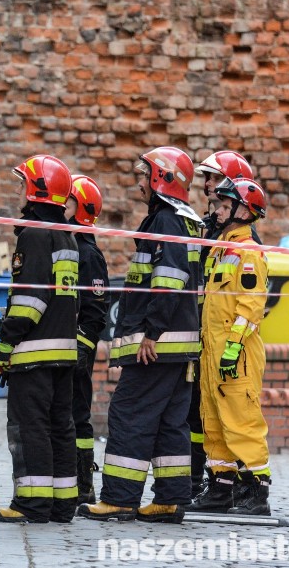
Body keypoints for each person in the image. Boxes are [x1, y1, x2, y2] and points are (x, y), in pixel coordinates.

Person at [77, 146, 203, 524]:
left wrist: (151, 333)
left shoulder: (166, 220)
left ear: (160, 177)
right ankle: (170, 499)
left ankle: (119, 498)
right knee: (169, 423)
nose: (138, 182)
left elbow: (169, 281)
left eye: (143, 174)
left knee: (130, 414)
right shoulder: (187, 220)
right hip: (179, 348)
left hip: (157, 346)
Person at [0, 155, 79, 524]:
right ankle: (61, 503)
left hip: (33, 352)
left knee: (31, 428)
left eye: (22, 184)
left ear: (37, 190)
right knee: (60, 427)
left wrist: (5, 345)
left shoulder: (35, 235)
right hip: (63, 352)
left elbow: (28, 302)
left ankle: (32, 503)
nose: (18, 191)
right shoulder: (67, 235)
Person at [186, 177, 271, 515]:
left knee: (242, 421)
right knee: (214, 421)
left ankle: (257, 491)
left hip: (237, 354)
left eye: (224, 206)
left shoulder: (247, 252)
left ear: (243, 211)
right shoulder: (221, 247)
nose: (218, 211)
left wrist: (233, 348)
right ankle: (221, 488)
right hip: (214, 353)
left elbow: (251, 306)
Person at [64, 175, 110, 505]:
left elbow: (95, 310)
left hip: (76, 353)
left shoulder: (88, 254)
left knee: (78, 415)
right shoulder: (67, 244)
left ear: (80, 209)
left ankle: (83, 485)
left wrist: (82, 346)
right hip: (61, 348)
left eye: (66, 202)